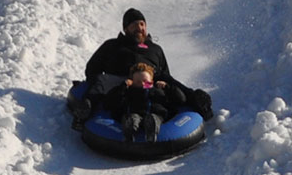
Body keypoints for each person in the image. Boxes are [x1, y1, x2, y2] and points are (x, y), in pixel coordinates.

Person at [72, 8, 214, 130]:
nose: (139, 28)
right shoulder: (112, 45)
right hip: (122, 80)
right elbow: (92, 68)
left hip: (149, 81)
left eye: (142, 24)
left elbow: (165, 73)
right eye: (134, 25)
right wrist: (94, 85)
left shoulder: (155, 49)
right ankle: (85, 110)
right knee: (102, 79)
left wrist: (165, 87)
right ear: (126, 28)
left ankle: (196, 100)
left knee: (168, 80)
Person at [102, 60, 174, 141]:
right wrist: (123, 87)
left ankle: (151, 133)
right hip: (133, 114)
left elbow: (177, 100)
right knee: (133, 119)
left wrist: (168, 88)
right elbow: (109, 103)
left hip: (154, 114)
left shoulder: (158, 91)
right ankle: (129, 133)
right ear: (132, 82)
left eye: (146, 82)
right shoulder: (128, 92)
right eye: (138, 83)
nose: (143, 85)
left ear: (152, 81)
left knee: (153, 118)